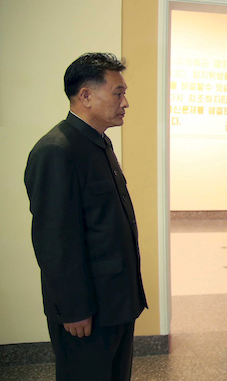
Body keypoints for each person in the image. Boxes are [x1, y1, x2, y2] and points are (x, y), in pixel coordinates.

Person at [24, 52, 147, 381]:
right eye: (118, 92)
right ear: (86, 96)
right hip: (87, 312)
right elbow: (54, 242)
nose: (126, 102)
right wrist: (74, 308)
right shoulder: (57, 150)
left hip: (115, 302)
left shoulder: (98, 143)